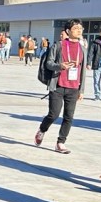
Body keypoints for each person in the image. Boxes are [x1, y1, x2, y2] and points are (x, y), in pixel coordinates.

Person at [35, 19, 86, 154]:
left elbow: (82, 71)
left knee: (69, 117)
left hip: (73, 87)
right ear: (68, 31)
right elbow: (48, 63)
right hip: (58, 85)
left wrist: (81, 90)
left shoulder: (82, 48)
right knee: (53, 114)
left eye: (80, 28)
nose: (79, 30)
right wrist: (60, 66)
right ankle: (42, 130)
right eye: (75, 28)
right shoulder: (58, 46)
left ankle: (61, 142)